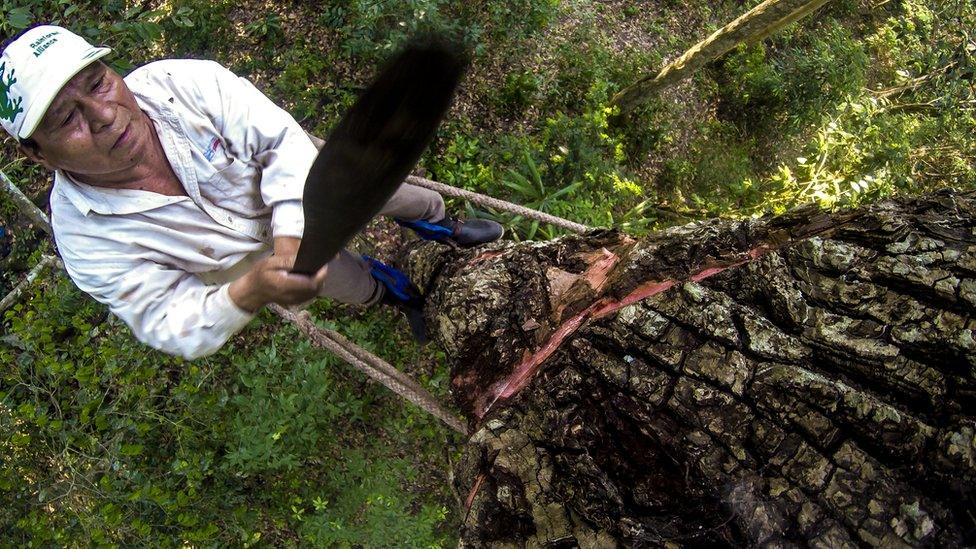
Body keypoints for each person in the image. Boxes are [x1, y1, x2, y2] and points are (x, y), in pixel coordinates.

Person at [0, 25, 502, 359]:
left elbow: (278, 140)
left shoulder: (182, 84)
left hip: (318, 180)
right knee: (349, 283)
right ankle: (404, 297)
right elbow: (165, 320)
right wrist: (250, 290)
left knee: (395, 193)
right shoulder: (87, 241)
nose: (104, 114)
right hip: (260, 265)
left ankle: (443, 227)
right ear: (37, 153)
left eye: (98, 82)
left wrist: (294, 230)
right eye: (68, 118)